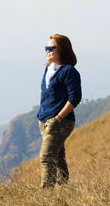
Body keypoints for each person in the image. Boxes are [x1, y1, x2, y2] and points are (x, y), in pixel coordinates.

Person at [37, 34, 82, 188]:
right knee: (58, 159)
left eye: (52, 48)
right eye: (46, 48)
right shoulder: (49, 69)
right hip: (44, 121)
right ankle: (63, 191)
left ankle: (45, 196)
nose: (48, 51)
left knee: (46, 157)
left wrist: (58, 118)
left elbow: (75, 98)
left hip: (60, 121)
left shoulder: (69, 71)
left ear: (62, 49)